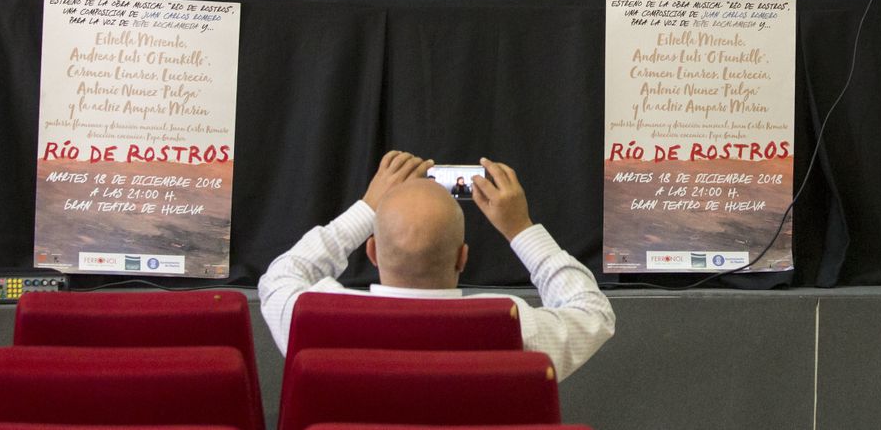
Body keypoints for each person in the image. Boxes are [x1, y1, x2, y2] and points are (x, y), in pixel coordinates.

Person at [258, 150, 615, 382]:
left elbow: (280, 276)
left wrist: (367, 208)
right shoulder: (515, 326)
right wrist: (520, 229)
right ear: (463, 257)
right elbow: (593, 313)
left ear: (372, 252)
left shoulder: (315, 319)